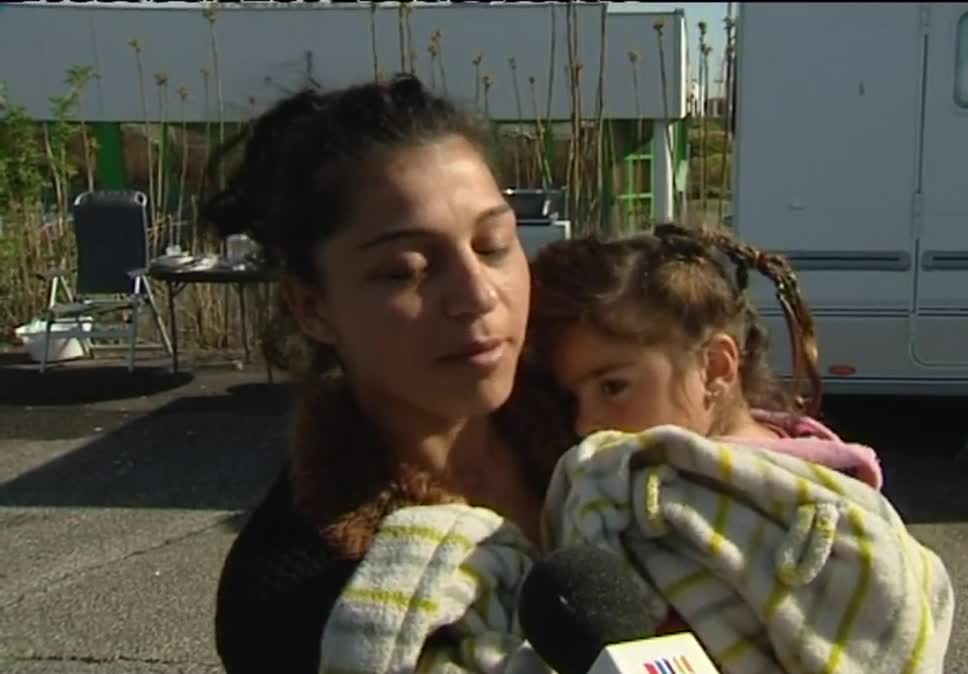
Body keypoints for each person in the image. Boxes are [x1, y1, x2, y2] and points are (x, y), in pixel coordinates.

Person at [205, 74, 575, 674]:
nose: (477, 296)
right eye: (407, 270)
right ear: (313, 307)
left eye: (494, 243)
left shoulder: (613, 427)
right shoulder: (301, 595)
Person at [527, 223, 883, 490]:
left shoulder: (744, 496)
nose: (585, 425)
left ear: (714, 367)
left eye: (613, 387)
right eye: (573, 399)